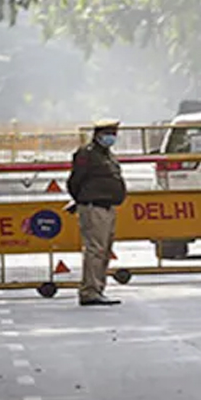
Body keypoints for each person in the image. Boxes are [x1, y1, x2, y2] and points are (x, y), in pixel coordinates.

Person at [67, 119, 127, 306]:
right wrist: (83, 199)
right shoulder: (87, 154)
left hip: (107, 207)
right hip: (94, 207)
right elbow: (75, 181)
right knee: (95, 250)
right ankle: (90, 291)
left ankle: (98, 288)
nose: (112, 137)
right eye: (109, 133)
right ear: (98, 134)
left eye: (114, 134)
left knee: (104, 250)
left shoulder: (107, 155)